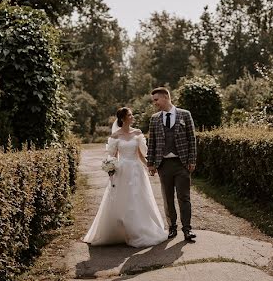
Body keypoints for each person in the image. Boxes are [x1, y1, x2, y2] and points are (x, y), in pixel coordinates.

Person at [83, 107, 167, 247]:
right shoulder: (115, 136)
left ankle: (139, 230)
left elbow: (140, 155)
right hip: (122, 171)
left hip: (136, 170)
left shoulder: (137, 133)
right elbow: (113, 156)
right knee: (123, 199)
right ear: (123, 118)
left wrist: (150, 167)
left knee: (138, 198)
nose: (132, 116)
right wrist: (111, 168)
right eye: (130, 115)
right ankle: (121, 231)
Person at [146, 87, 197, 242]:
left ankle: (187, 229)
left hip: (182, 163)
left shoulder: (185, 114)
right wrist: (151, 163)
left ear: (166, 97)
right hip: (164, 165)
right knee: (168, 198)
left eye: (156, 100)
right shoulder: (154, 118)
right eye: (153, 100)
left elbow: (192, 139)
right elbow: (152, 142)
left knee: (184, 197)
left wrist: (192, 160)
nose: (155, 103)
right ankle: (172, 228)